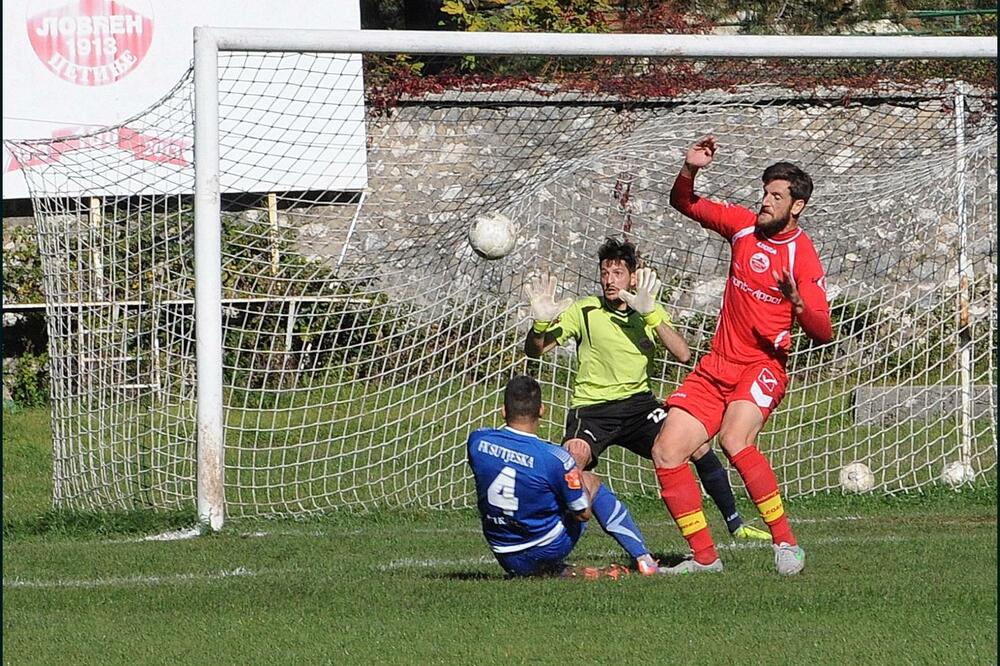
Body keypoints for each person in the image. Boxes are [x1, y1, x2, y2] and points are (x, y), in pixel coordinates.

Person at [652, 136, 834, 575]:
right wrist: (690, 168)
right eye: (765, 193)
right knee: (667, 451)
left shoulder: (802, 256)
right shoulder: (742, 226)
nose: (766, 202)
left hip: (762, 366)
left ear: (798, 206)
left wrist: (798, 304)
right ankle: (704, 559)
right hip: (717, 365)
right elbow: (684, 202)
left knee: (735, 440)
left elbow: (823, 333)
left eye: (776, 196)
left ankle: (786, 544)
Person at [523, 237, 770, 544]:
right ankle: (547, 534)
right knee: (573, 460)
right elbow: (535, 351)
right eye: (604, 273)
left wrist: (650, 314)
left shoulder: (648, 309)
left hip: (640, 407)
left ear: (633, 277)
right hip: (593, 408)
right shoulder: (585, 310)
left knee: (697, 446)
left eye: (617, 273)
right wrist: (539, 326)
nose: (610, 280)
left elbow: (683, 353)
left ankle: (736, 524)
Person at [467, 375, 657, 578]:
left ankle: (558, 572)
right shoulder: (554, 458)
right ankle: (644, 559)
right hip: (545, 547)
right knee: (589, 480)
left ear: (503, 411)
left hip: (503, 551)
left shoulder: (477, 441)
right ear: (542, 410)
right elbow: (583, 514)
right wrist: (572, 473)